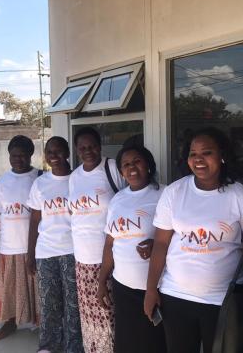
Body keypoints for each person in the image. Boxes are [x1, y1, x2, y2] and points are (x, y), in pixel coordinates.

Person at [143, 127, 243, 353]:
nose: (198, 159)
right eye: (193, 154)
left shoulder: (238, 195)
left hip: (222, 301)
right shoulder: (175, 192)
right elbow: (161, 244)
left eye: (207, 153)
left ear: (222, 155)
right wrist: (151, 289)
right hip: (176, 296)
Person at [97, 145, 166, 353]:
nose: (132, 168)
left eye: (137, 161)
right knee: (127, 342)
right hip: (122, 287)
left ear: (148, 164)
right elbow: (110, 244)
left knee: (155, 343)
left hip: (156, 288)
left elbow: (181, 237)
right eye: (126, 164)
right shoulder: (118, 199)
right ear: (121, 172)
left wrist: (156, 244)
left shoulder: (165, 194)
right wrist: (102, 281)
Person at [69, 126, 126, 353]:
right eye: (82, 147)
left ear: (100, 146)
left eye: (92, 146)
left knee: (109, 312)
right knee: (89, 314)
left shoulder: (112, 168)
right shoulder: (74, 177)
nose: (88, 151)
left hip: (110, 257)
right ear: (76, 150)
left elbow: (129, 200)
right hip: (82, 258)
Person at [27, 136, 83, 353]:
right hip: (46, 251)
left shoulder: (78, 179)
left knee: (73, 303)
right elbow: (34, 220)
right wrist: (30, 254)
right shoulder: (40, 183)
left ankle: (73, 346)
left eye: (58, 151)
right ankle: (49, 345)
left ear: (67, 153)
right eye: (50, 152)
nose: (54, 156)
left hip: (73, 250)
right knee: (49, 302)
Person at [0, 135, 40, 341]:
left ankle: (42, 324)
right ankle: (10, 321)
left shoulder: (39, 178)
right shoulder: (2, 182)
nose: (18, 159)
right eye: (14, 155)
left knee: (38, 288)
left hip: (37, 246)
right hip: (9, 246)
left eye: (22, 155)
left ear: (31, 154)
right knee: (10, 289)